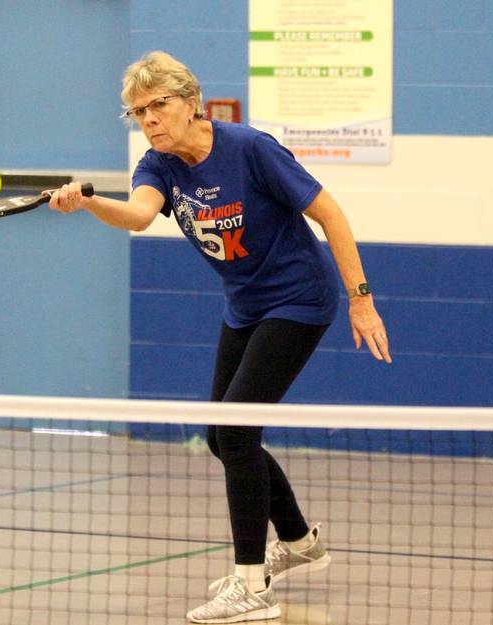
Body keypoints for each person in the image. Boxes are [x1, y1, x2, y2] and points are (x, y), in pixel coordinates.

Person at [49, 51, 391, 624]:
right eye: (139, 112)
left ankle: (251, 586)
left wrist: (362, 300)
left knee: (234, 431)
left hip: (299, 300)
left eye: (159, 105)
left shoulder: (249, 149)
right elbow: (137, 217)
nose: (150, 119)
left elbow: (330, 213)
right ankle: (299, 541)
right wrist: (88, 204)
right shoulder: (157, 165)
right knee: (221, 436)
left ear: (190, 102)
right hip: (245, 307)